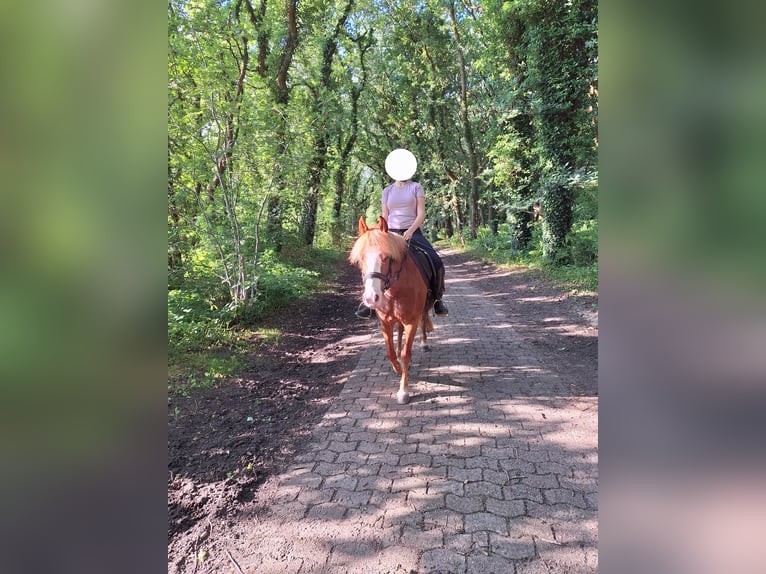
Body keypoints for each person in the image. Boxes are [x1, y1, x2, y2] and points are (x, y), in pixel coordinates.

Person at [356, 148, 448, 319]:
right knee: (371, 261)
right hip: (390, 234)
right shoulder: (387, 191)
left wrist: (411, 231)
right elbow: (385, 215)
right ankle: (368, 302)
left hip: (413, 232)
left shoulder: (416, 187)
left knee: (435, 260)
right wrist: (378, 231)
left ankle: (437, 300)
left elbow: (421, 214)